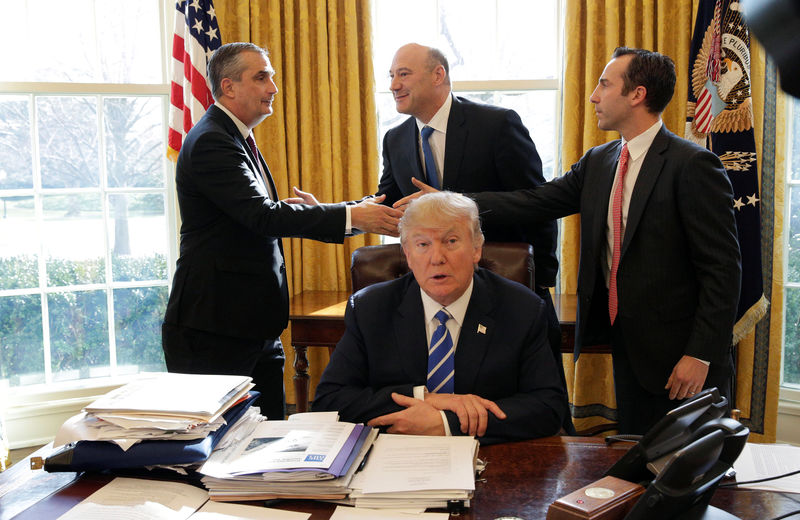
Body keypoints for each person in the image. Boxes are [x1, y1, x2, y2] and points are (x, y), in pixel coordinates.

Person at [397, 48, 742, 435]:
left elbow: (723, 270)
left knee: (689, 469)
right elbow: (536, 200)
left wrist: (700, 354)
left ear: (637, 94)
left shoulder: (692, 165)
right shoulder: (600, 160)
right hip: (630, 346)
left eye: (604, 84)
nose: (594, 95)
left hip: (683, 355)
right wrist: (452, 204)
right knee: (644, 462)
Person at [162, 42, 402, 420]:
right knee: (220, 452)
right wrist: (352, 216)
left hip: (252, 327)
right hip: (214, 331)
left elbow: (253, 216)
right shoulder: (212, 140)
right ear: (229, 87)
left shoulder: (236, 136)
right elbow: (262, 217)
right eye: (261, 77)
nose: (273, 87)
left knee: (266, 440)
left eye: (271, 76)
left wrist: (335, 212)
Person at [376, 43, 570, 430]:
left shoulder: (496, 125)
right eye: (391, 76)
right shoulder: (395, 139)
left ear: (438, 75)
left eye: (403, 74)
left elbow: (537, 202)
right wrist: (350, 210)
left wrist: (541, 278)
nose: (394, 84)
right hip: (440, 296)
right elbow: (389, 199)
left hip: (508, 291)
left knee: (538, 412)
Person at [312, 191, 567, 445]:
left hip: (491, 459)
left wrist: (447, 424)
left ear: (477, 248)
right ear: (408, 254)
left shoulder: (521, 308)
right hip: (396, 460)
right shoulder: (371, 308)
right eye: (423, 244)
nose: (437, 258)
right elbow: (330, 401)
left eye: (451, 241)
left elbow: (547, 407)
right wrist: (424, 398)